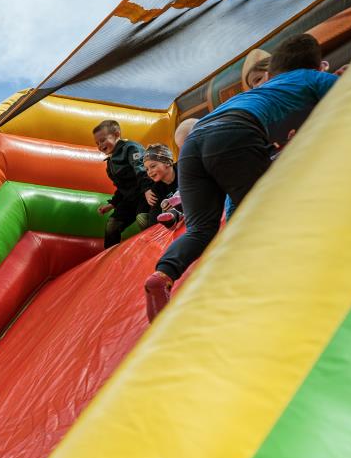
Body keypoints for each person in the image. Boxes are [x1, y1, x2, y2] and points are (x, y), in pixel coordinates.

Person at [144, 33, 338, 322]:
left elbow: (237, 195)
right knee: (266, 214)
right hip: (235, 133)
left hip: (193, 146)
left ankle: (163, 275)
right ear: (316, 65)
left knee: (200, 230)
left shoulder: (258, 93)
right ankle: (264, 282)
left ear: (271, 74)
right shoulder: (311, 78)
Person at [93, 119, 150, 248]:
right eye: (97, 143)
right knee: (112, 225)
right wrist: (112, 204)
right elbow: (122, 188)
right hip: (130, 200)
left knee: (143, 219)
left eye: (103, 140)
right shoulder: (110, 163)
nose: (100, 145)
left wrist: (147, 190)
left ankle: (155, 247)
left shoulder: (130, 148)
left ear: (117, 134)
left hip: (144, 194)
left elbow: (142, 171)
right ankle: (109, 256)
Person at [136, 144, 179, 230]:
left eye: (153, 166)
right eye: (147, 169)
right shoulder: (156, 189)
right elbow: (154, 220)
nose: (149, 172)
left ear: (167, 162)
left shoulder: (183, 169)